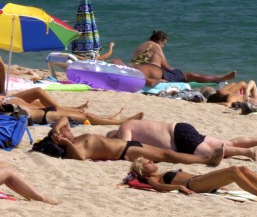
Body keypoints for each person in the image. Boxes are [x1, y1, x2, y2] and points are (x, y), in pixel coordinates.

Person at [40, 117, 225, 165]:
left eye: (66, 129)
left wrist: (56, 129)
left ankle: (207, 158)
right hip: (124, 152)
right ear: (60, 141)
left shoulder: (77, 137)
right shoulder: (74, 147)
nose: (67, 129)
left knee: (169, 154)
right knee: (169, 155)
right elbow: (79, 158)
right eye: (65, 132)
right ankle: (207, 160)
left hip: (128, 144)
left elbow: (63, 118)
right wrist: (67, 143)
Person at [127, 156, 257, 201]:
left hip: (201, 180)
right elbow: (158, 188)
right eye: (146, 162)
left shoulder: (161, 173)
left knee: (242, 168)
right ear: (143, 172)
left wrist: (217, 186)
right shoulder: (151, 178)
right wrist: (177, 188)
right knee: (232, 170)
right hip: (193, 184)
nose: (150, 161)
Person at [107, 118, 257, 161]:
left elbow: (125, 147)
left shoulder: (125, 127)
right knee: (227, 143)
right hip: (181, 128)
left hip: (178, 138)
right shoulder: (134, 124)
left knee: (212, 153)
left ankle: (248, 152)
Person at [1, 86, 145, 128]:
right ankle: (118, 122)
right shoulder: (5, 106)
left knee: (39, 99)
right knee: (84, 116)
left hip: (37, 109)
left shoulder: (6, 99)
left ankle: (109, 119)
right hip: (42, 115)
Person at [129, 31, 237, 85]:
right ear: (159, 41)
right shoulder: (156, 46)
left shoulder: (143, 45)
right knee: (189, 75)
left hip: (144, 70)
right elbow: (167, 67)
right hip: (153, 72)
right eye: (164, 44)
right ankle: (221, 77)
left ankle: (221, 77)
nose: (164, 46)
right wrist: (175, 72)